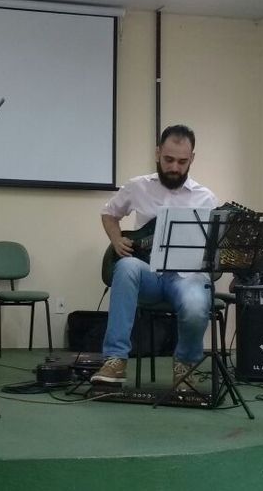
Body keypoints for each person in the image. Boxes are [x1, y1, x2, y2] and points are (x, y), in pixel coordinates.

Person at [91, 124, 218, 390]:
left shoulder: (206, 199)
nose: (174, 167)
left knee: (196, 303)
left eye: (182, 162)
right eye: (169, 159)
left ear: (192, 158)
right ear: (158, 153)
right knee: (125, 267)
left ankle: (185, 366)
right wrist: (116, 239)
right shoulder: (138, 186)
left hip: (186, 278)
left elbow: (215, 248)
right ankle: (115, 360)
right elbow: (109, 212)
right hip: (148, 274)